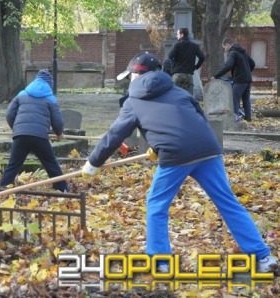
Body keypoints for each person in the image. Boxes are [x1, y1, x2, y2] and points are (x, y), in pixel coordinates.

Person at [82, 52, 277, 273]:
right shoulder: (178, 92)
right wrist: (158, 148)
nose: (129, 81)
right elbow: (196, 120)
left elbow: (114, 135)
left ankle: (160, 263)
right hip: (208, 149)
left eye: (129, 77)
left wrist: (93, 163)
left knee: (156, 205)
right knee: (228, 203)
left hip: (176, 156)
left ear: (136, 75)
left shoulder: (133, 101)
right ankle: (263, 258)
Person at [0, 69, 70, 192]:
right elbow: (57, 120)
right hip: (39, 137)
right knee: (50, 163)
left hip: (21, 136)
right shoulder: (50, 99)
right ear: (49, 84)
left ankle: (2, 189)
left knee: (13, 164)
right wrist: (59, 133)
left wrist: (16, 128)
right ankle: (63, 189)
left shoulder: (21, 94)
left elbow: (10, 113)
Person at [211, 37, 255, 122]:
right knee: (246, 100)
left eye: (224, 47)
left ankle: (236, 120)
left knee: (234, 99)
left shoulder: (233, 53)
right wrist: (247, 72)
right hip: (248, 80)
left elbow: (228, 65)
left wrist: (216, 76)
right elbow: (252, 63)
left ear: (227, 45)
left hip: (239, 80)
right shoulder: (243, 51)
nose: (224, 49)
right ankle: (248, 119)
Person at [167, 28, 205, 95]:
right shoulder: (194, 46)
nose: (177, 36)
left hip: (177, 74)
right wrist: (196, 66)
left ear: (182, 34)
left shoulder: (177, 44)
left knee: (175, 95)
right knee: (188, 96)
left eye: (178, 34)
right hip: (188, 74)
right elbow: (202, 57)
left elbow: (170, 56)